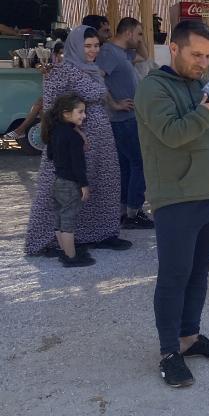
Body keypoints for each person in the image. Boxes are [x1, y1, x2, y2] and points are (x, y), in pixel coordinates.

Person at [135, 20, 209, 388]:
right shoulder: (152, 88)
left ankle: (189, 338)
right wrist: (207, 113)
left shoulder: (205, 84)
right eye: (195, 54)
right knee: (174, 277)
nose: (203, 62)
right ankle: (169, 352)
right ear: (174, 48)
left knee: (199, 275)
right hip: (175, 198)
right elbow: (170, 134)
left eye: (208, 55)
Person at [24, 27, 130, 256]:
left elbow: (99, 97)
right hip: (73, 141)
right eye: (87, 46)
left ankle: (101, 233)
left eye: (96, 45)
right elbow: (52, 106)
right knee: (68, 187)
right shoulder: (60, 71)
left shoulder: (92, 70)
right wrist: (73, 132)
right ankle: (52, 240)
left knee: (102, 183)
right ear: (75, 46)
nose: (93, 50)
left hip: (100, 139)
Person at [97, 16, 153, 229]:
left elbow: (145, 56)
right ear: (128, 33)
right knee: (140, 162)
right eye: (138, 34)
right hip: (123, 119)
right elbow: (98, 78)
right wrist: (113, 103)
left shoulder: (123, 53)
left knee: (128, 165)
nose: (140, 39)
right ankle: (133, 212)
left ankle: (125, 211)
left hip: (130, 118)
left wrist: (139, 39)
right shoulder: (109, 52)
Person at [41, 93, 95, 267]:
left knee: (60, 218)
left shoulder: (55, 130)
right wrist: (84, 185)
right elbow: (78, 165)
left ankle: (65, 252)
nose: (84, 116)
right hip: (70, 184)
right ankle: (71, 258)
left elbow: (50, 155)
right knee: (68, 221)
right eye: (80, 112)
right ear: (66, 113)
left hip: (58, 182)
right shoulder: (72, 137)